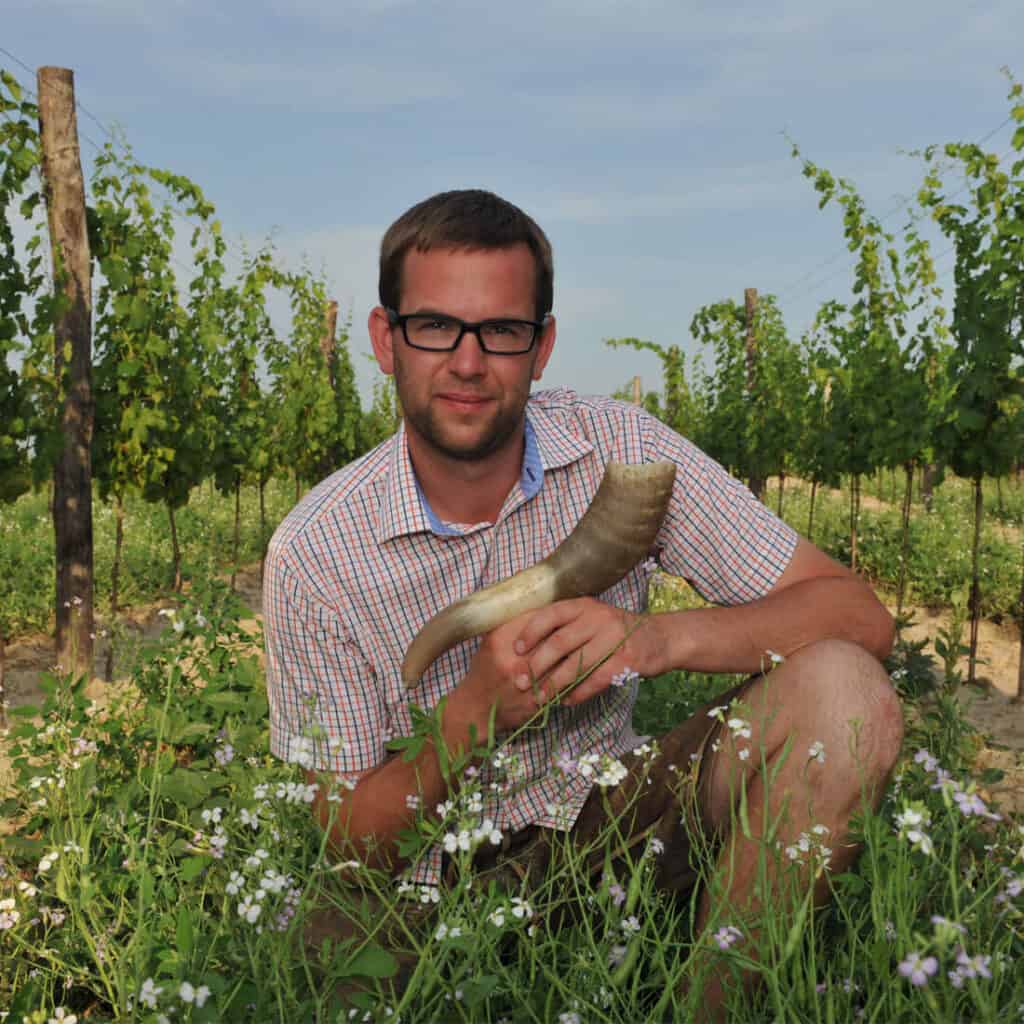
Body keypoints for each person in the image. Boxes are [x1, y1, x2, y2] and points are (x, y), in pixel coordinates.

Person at [263, 188, 902, 1017]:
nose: (467, 360)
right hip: (430, 876)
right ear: (387, 342)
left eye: (502, 330)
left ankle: (711, 1006)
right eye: (434, 327)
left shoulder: (622, 451)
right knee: (316, 960)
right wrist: (471, 719)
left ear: (543, 345)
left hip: (615, 817)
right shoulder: (315, 553)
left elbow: (859, 616)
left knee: (845, 689)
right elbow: (347, 842)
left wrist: (653, 640)